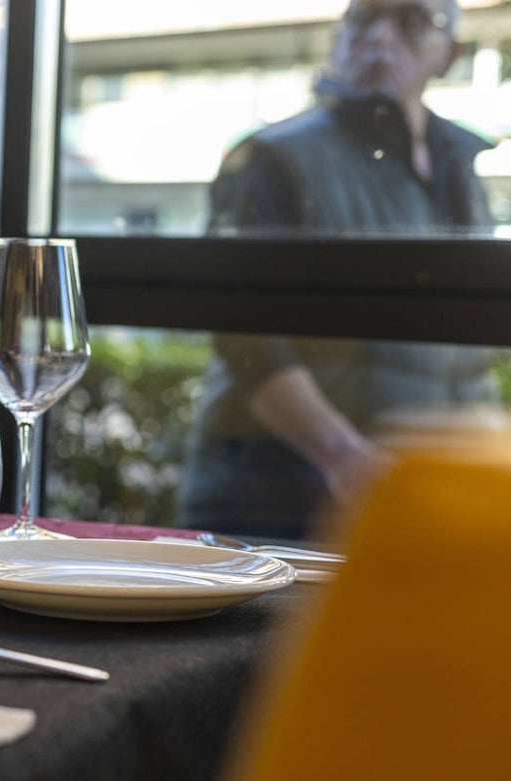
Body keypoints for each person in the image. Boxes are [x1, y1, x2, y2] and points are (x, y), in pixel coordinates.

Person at [179, 0, 497, 539]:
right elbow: (245, 331)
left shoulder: (459, 165)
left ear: (450, 53)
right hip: (275, 502)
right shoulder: (273, 157)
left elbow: (472, 350)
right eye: (362, 19)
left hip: (415, 496)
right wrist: (348, 460)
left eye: (410, 22)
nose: (379, 39)